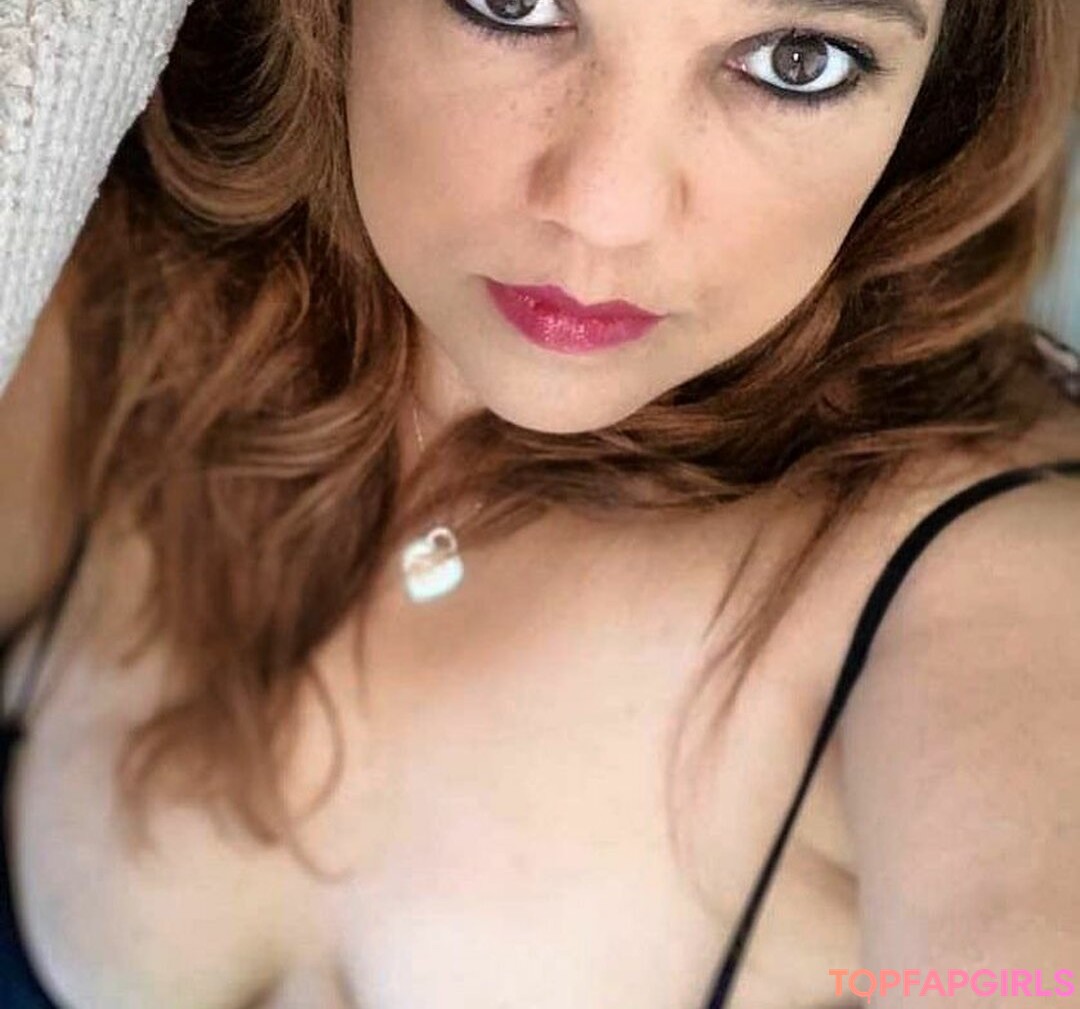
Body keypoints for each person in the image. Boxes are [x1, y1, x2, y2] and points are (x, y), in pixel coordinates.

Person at [0, 1, 1078, 1007]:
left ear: (944, 90)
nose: (605, 210)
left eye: (798, 62)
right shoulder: (109, 326)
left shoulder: (994, 591)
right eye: (513, 3)